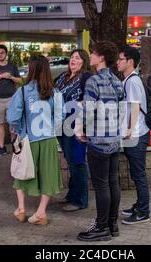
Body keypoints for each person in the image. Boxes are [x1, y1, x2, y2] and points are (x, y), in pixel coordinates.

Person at [75, 41, 125, 242]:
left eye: (93, 52)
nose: (91, 55)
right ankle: (112, 224)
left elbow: (87, 110)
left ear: (102, 57)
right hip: (114, 139)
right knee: (113, 182)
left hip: (98, 141)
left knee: (102, 185)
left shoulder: (93, 81)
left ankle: (101, 227)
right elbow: (122, 110)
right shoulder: (117, 81)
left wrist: (81, 130)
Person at [7, 55, 63, 226]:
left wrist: (17, 130)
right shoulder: (56, 92)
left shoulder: (23, 91)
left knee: (21, 172)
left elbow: (13, 117)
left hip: (28, 139)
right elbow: (60, 118)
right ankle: (41, 212)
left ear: (31, 69)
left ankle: (21, 209)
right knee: (48, 176)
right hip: (48, 139)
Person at [54, 49, 92, 212]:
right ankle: (72, 194)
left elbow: (90, 98)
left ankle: (80, 200)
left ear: (84, 61)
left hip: (76, 124)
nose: (73, 60)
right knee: (70, 161)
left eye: (77, 58)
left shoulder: (86, 77)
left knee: (77, 161)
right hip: (61, 124)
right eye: (72, 57)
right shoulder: (63, 77)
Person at [116, 46, 151, 225]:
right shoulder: (128, 80)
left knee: (139, 174)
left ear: (130, 62)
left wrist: (129, 129)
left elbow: (135, 106)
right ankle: (139, 205)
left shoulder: (133, 81)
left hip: (136, 135)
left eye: (121, 59)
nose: (117, 62)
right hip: (134, 134)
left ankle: (143, 211)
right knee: (136, 174)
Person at [0, 45, 22, 157]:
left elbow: (20, 80)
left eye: (2, 52)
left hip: (11, 98)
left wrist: (10, 77)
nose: (0, 54)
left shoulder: (12, 66)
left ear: (6, 54)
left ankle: (14, 145)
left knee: (13, 122)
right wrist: (1, 76)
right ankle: (1, 148)